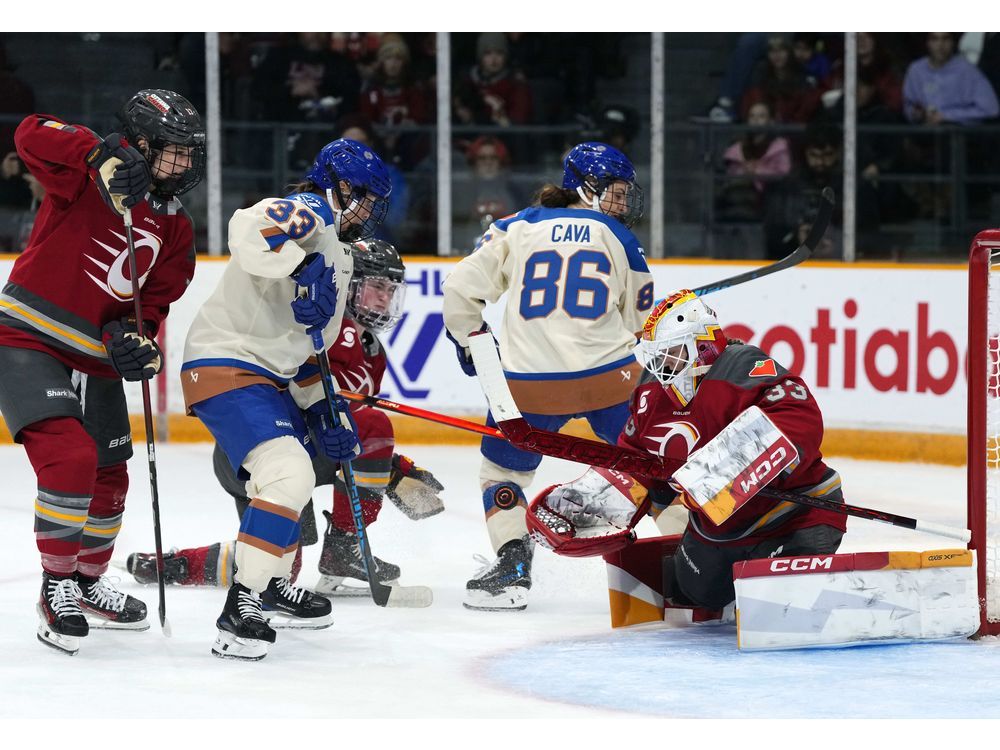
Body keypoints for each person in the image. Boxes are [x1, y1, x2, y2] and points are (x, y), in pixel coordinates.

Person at [0, 89, 206, 655]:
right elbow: (29, 133)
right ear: (140, 143)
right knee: (71, 457)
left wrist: (138, 340)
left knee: (111, 476)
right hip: (27, 337)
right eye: (174, 152)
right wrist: (95, 152)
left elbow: (155, 303)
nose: (185, 165)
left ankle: (87, 583)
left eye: (191, 154)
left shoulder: (178, 229)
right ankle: (55, 585)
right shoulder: (86, 176)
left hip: (94, 360)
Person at [127, 241, 445, 597]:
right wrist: (391, 468)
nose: (384, 299)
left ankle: (341, 549)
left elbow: (351, 424)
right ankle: (339, 548)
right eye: (376, 287)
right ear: (350, 285)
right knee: (372, 427)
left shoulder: (373, 351)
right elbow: (311, 402)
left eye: (390, 290)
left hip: (308, 452)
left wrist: (387, 464)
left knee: (281, 567)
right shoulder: (321, 330)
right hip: (263, 448)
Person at [182, 137, 391, 660]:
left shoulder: (341, 254)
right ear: (339, 186)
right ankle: (240, 607)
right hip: (227, 359)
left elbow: (302, 350)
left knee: (295, 475)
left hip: (273, 377)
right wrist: (299, 267)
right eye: (363, 197)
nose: (369, 209)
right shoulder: (311, 210)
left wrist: (326, 407)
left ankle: (270, 581)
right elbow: (246, 229)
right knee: (288, 473)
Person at [529, 290, 847, 611]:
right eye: (658, 357)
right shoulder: (651, 393)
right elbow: (637, 462)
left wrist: (721, 472)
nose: (663, 367)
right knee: (695, 594)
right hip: (721, 529)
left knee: (779, 603)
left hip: (793, 516)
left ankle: (786, 573)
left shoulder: (741, 366)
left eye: (672, 354)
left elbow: (798, 417)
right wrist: (586, 502)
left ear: (703, 345)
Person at [441, 141, 653, 611]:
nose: (622, 203)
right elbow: (643, 325)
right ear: (588, 187)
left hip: (529, 386)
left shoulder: (516, 227)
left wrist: (471, 338)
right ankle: (698, 561)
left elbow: (458, 287)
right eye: (616, 192)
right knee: (652, 466)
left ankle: (513, 567)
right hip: (610, 379)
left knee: (501, 471)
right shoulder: (620, 237)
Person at [903, 32, 999, 125]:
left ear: (953, 42)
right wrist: (916, 114)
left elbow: (991, 109)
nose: (940, 45)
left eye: (945, 39)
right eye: (934, 39)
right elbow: (909, 105)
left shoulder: (967, 71)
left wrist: (947, 116)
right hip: (924, 132)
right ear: (927, 43)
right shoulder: (916, 70)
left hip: (958, 133)